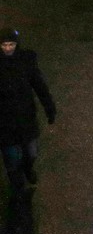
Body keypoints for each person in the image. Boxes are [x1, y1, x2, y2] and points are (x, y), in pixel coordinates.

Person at [0, 28, 56, 195]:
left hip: (26, 118)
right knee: (11, 158)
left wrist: (49, 107)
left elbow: (39, 85)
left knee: (31, 153)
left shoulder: (26, 62)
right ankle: (17, 186)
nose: (8, 48)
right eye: (4, 45)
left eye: (11, 44)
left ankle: (27, 169)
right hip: (4, 122)